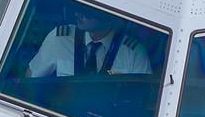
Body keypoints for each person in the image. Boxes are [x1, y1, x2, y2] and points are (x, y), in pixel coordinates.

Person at [26, 20, 154, 77]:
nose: (79, 14)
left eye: (90, 12)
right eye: (79, 8)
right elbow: (31, 78)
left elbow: (142, 99)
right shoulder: (60, 38)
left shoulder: (134, 53)